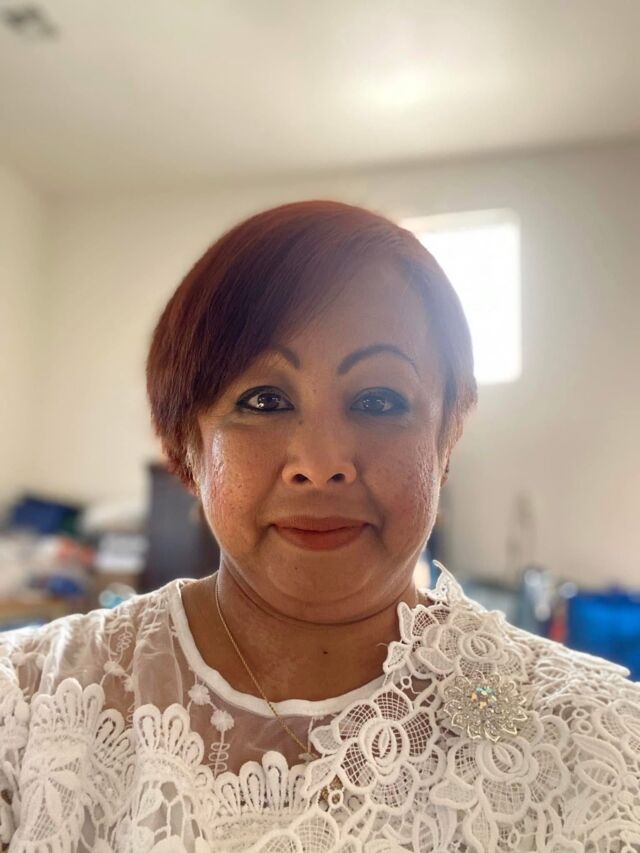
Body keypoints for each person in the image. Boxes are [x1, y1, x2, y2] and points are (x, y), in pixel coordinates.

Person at [1, 201, 639, 852]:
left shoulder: (597, 748)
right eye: (264, 400)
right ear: (188, 447)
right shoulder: (25, 708)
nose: (320, 462)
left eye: (379, 400)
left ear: (446, 439)